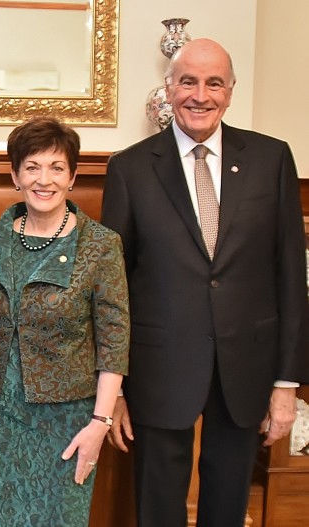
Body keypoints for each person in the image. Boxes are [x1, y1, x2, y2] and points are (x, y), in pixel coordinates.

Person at [102, 38, 309, 527]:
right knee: (157, 508)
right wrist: (117, 390)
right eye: (188, 81)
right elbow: (113, 288)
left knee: (227, 506)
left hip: (247, 369)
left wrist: (286, 383)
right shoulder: (129, 168)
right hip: (157, 369)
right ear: (169, 88)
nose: (200, 94)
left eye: (213, 82)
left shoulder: (272, 159)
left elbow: (289, 279)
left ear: (231, 91)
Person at [0, 117, 129, 526]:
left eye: (56, 167)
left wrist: (101, 423)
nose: (44, 179)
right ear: (15, 175)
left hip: (69, 420)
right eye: (32, 166)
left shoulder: (101, 245)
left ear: (72, 176)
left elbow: (114, 342)